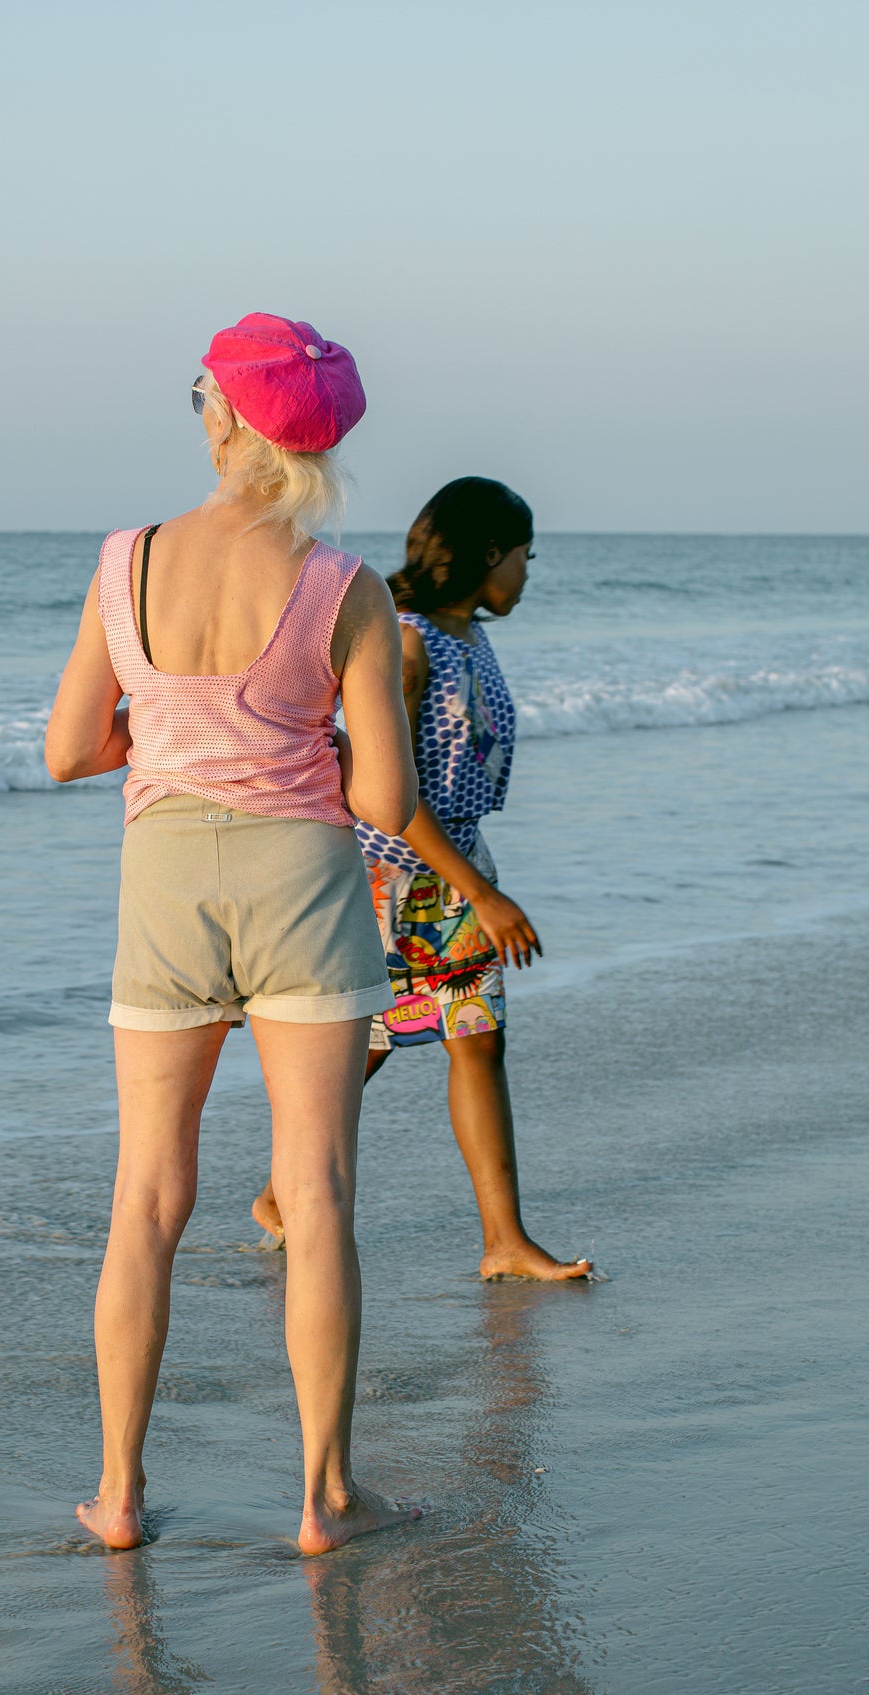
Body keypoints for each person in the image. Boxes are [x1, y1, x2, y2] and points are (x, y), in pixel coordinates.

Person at [44, 312, 422, 1554]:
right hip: (303, 886)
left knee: (145, 1197)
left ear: (222, 416)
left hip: (163, 886)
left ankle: (117, 1494)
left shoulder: (125, 562)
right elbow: (381, 802)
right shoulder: (343, 588)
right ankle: (321, 1497)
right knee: (313, 1195)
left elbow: (65, 753)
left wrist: (159, 739)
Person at [252, 478, 591, 1281]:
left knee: (462, 1039)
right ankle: (281, 1196)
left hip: (451, 864)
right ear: (484, 554)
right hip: (391, 873)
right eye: (523, 557)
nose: (526, 574)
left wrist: (474, 877)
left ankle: (500, 1240)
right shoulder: (405, 642)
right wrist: (480, 893)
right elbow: (384, 790)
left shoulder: (464, 632)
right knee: (372, 1045)